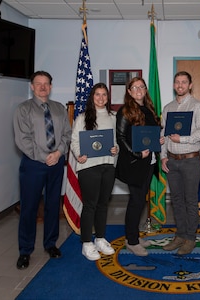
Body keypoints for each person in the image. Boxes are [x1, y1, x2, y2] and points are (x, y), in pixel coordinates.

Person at [13, 71, 71, 269]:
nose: (43, 87)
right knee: (29, 208)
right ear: (32, 86)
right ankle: (25, 250)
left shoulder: (59, 109)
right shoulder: (23, 109)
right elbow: (22, 139)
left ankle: (50, 244)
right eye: (39, 83)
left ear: (51, 86)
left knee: (52, 204)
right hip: (33, 164)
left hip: (56, 164)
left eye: (46, 83)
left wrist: (59, 153)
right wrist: (44, 156)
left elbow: (67, 134)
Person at [161, 71, 200, 255]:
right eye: (177, 82)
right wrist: (164, 156)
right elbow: (163, 135)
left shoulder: (197, 106)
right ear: (174, 85)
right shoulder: (168, 108)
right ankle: (180, 234)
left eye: (184, 82)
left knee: (190, 200)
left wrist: (183, 139)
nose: (180, 85)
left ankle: (190, 238)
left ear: (190, 85)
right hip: (172, 162)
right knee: (176, 200)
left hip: (190, 161)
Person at [70, 83, 119, 261]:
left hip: (108, 165)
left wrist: (116, 149)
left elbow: (116, 141)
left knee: (103, 204)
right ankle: (86, 243)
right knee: (90, 205)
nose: (100, 98)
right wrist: (78, 155)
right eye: (97, 94)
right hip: (88, 166)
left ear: (108, 97)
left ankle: (99, 238)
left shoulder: (113, 117)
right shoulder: (83, 118)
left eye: (104, 95)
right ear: (92, 97)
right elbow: (74, 141)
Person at [116, 77, 163, 256]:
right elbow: (120, 138)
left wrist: (158, 140)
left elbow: (151, 133)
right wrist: (137, 154)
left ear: (145, 90)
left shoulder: (149, 109)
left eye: (141, 86)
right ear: (129, 91)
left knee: (140, 201)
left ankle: (133, 236)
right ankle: (132, 242)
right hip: (134, 164)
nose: (138, 90)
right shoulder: (125, 111)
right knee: (135, 202)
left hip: (149, 163)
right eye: (134, 87)